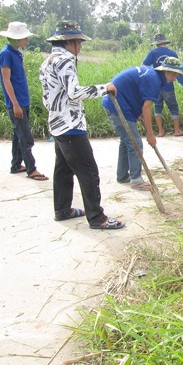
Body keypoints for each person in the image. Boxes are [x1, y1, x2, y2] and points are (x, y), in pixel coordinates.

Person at [40, 21, 124, 229]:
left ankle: (62, 210)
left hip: (57, 123)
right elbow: (74, 92)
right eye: (80, 43)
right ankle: (97, 217)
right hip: (71, 126)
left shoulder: (48, 61)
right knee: (88, 171)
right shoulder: (66, 60)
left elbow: (47, 97)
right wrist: (104, 88)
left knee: (63, 169)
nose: (81, 47)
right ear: (72, 42)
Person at [101, 57, 183, 190]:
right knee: (135, 143)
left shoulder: (152, 75)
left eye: (177, 74)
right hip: (117, 104)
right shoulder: (155, 81)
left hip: (120, 103)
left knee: (127, 141)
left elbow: (138, 95)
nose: (174, 78)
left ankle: (122, 175)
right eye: (173, 74)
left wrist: (138, 112)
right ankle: (136, 179)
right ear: (165, 71)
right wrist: (150, 135)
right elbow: (146, 109)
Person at [0, 22, 48, 181]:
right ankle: (31, 169)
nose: (26, 39)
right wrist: (15, 104)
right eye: (24, 37)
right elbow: (6, 80)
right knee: (26, 138)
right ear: (16, 38)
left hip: (22, 101)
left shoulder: (16, 53)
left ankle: (16, 165)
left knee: (17, 135)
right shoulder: (6, 54)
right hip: (16, 103)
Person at [142, 33, 183, 137]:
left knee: (157, 107)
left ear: (156, 43)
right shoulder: (173, 54)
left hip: (156, 85)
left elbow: (143, 66)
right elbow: (178, 70)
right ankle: (177, 130)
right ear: (165, 42)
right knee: (173, 107)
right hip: (168, 85)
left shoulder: (153, 53)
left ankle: (161, 131)